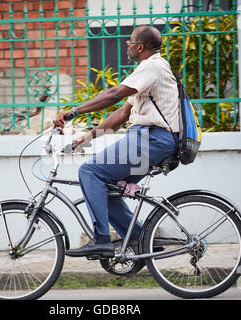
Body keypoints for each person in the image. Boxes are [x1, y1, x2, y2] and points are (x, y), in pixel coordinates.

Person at [53, 25, 180, 256]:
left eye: (130, 43)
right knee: (104, 186)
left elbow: (113, 95)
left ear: (140, 47)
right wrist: (87, 138)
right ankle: (140, 240)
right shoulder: (149, 70)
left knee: (90, 172)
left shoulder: (152, 66)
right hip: (149, 140)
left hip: (153, 139)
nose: (127, 46)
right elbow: (122, 114)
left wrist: (74, 111)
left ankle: (101, 239)